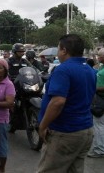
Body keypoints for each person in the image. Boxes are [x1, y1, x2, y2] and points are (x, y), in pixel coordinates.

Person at [37, 34, 96, 173]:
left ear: (64, 50)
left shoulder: (63, 70)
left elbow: (57, 102)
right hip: (85, 130)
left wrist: (43, 126)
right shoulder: (89, 70)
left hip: (65, 132)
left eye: (58, 49)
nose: (58, 52)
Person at [87, 48, 104, 158]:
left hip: (101, 100)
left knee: (99, 125)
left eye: (99, 56)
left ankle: (99, 150)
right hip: (99, 99)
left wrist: (95, 88)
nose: (98, 57)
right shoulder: (101, 67)